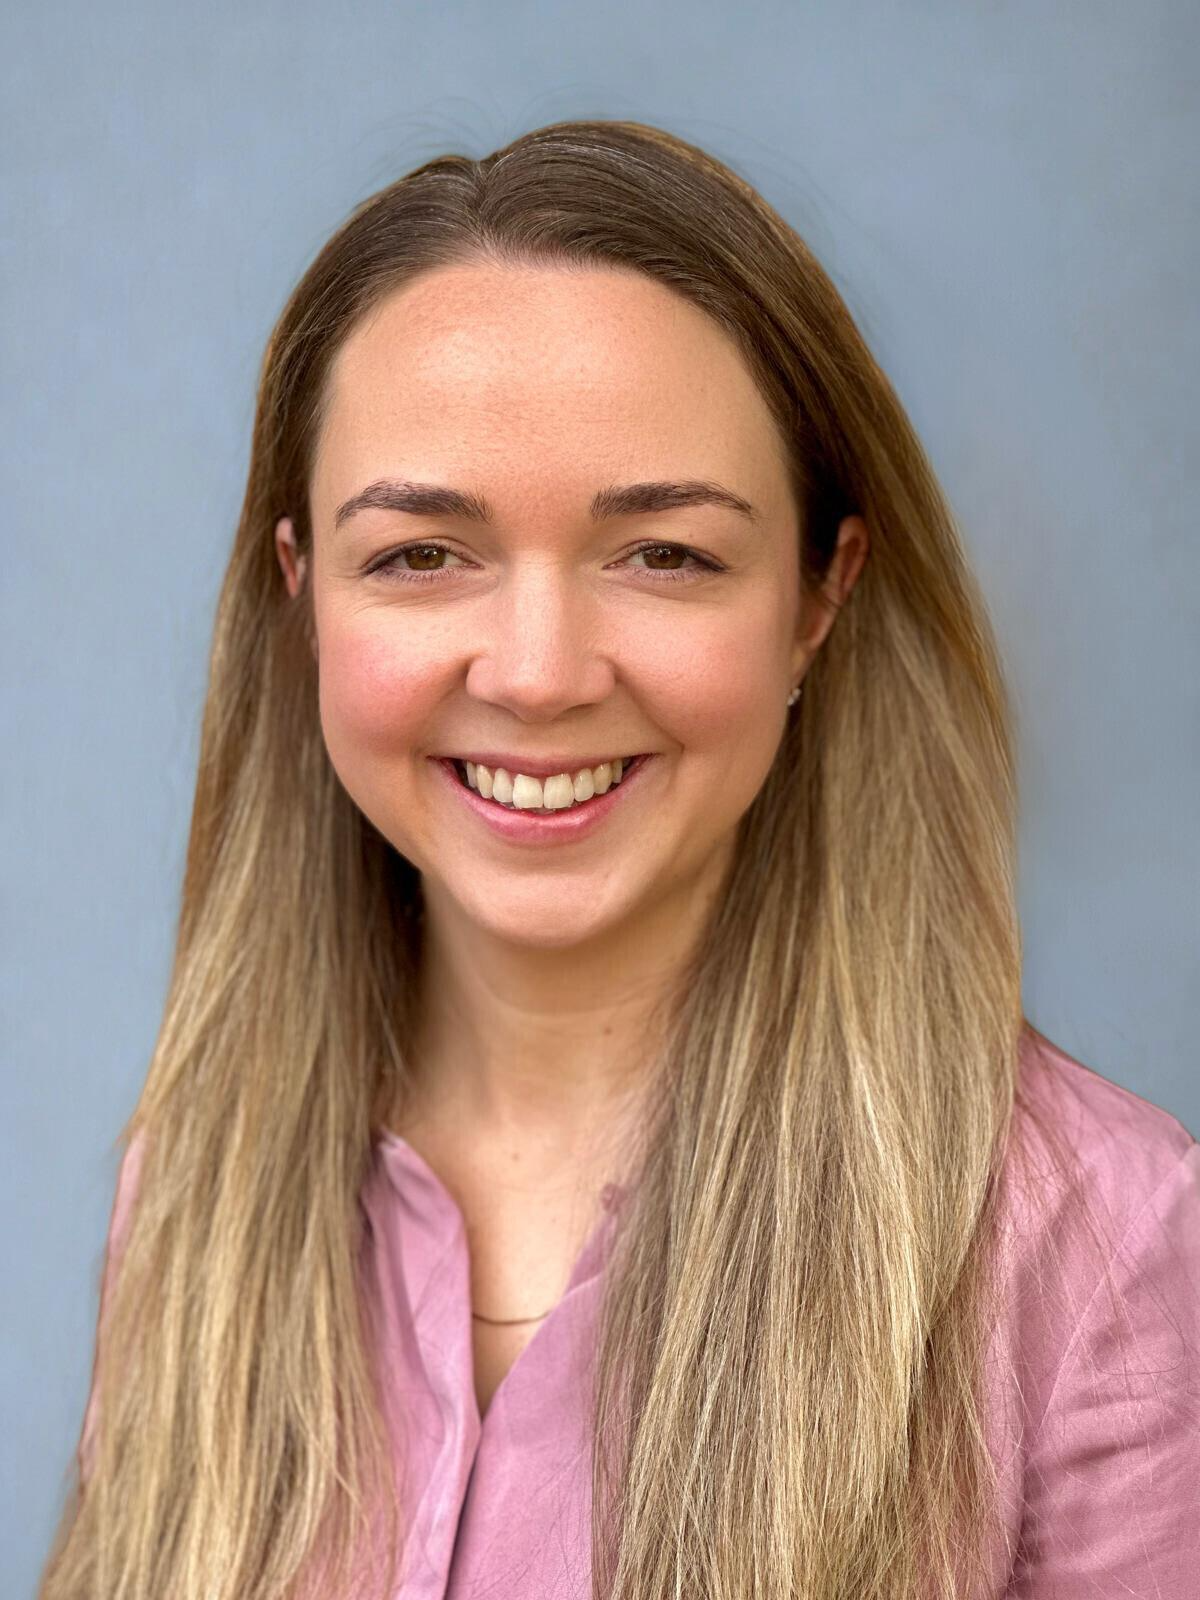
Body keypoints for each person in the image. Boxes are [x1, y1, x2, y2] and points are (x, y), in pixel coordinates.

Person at [39, 119, 1199, 1600]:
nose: (536, 674)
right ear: (303, 595)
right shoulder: (192, 1189)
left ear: (816, 600)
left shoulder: (1095, 1244)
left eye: (665, 555)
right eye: (419, 555)